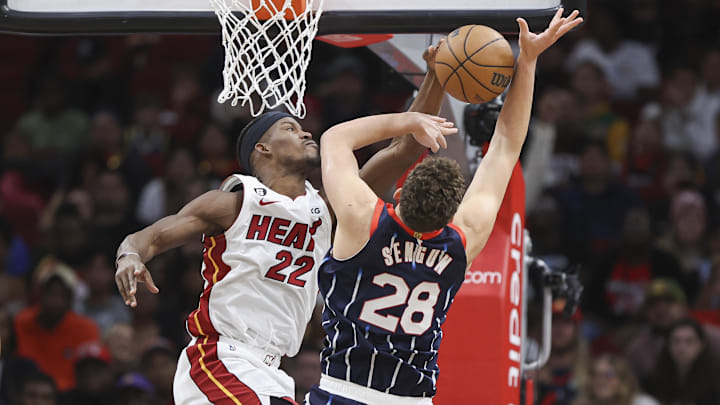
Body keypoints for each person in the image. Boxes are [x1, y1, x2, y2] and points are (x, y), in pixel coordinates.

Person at [114, 46, 447, 404]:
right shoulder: (234, 202)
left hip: (273, 372)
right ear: (263, 148)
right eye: (290, 128)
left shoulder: (327, 208)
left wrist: (438, 76)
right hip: (219, 358)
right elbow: (151, 236)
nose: (305, 134)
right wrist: (129, 256)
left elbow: (404, 150)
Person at [308, 9, 583, 403]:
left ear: (399, 196)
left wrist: (410, 123)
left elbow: (335, 139)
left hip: (342, 391)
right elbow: (505, 145)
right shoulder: (461, 240)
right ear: (451, 213)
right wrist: (528, 60)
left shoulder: (361, 220)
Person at [646, 318, 720, 405]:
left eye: (689, 341)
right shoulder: (654, 380)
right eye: (676, 341)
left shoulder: (716, 379)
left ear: (702, 345)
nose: (682, 348)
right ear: (668, 345)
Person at [573, 354, 658, 405]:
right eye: (596, 375)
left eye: (608, 375)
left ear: (623, 379)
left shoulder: (641, 402)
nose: (600, 381)